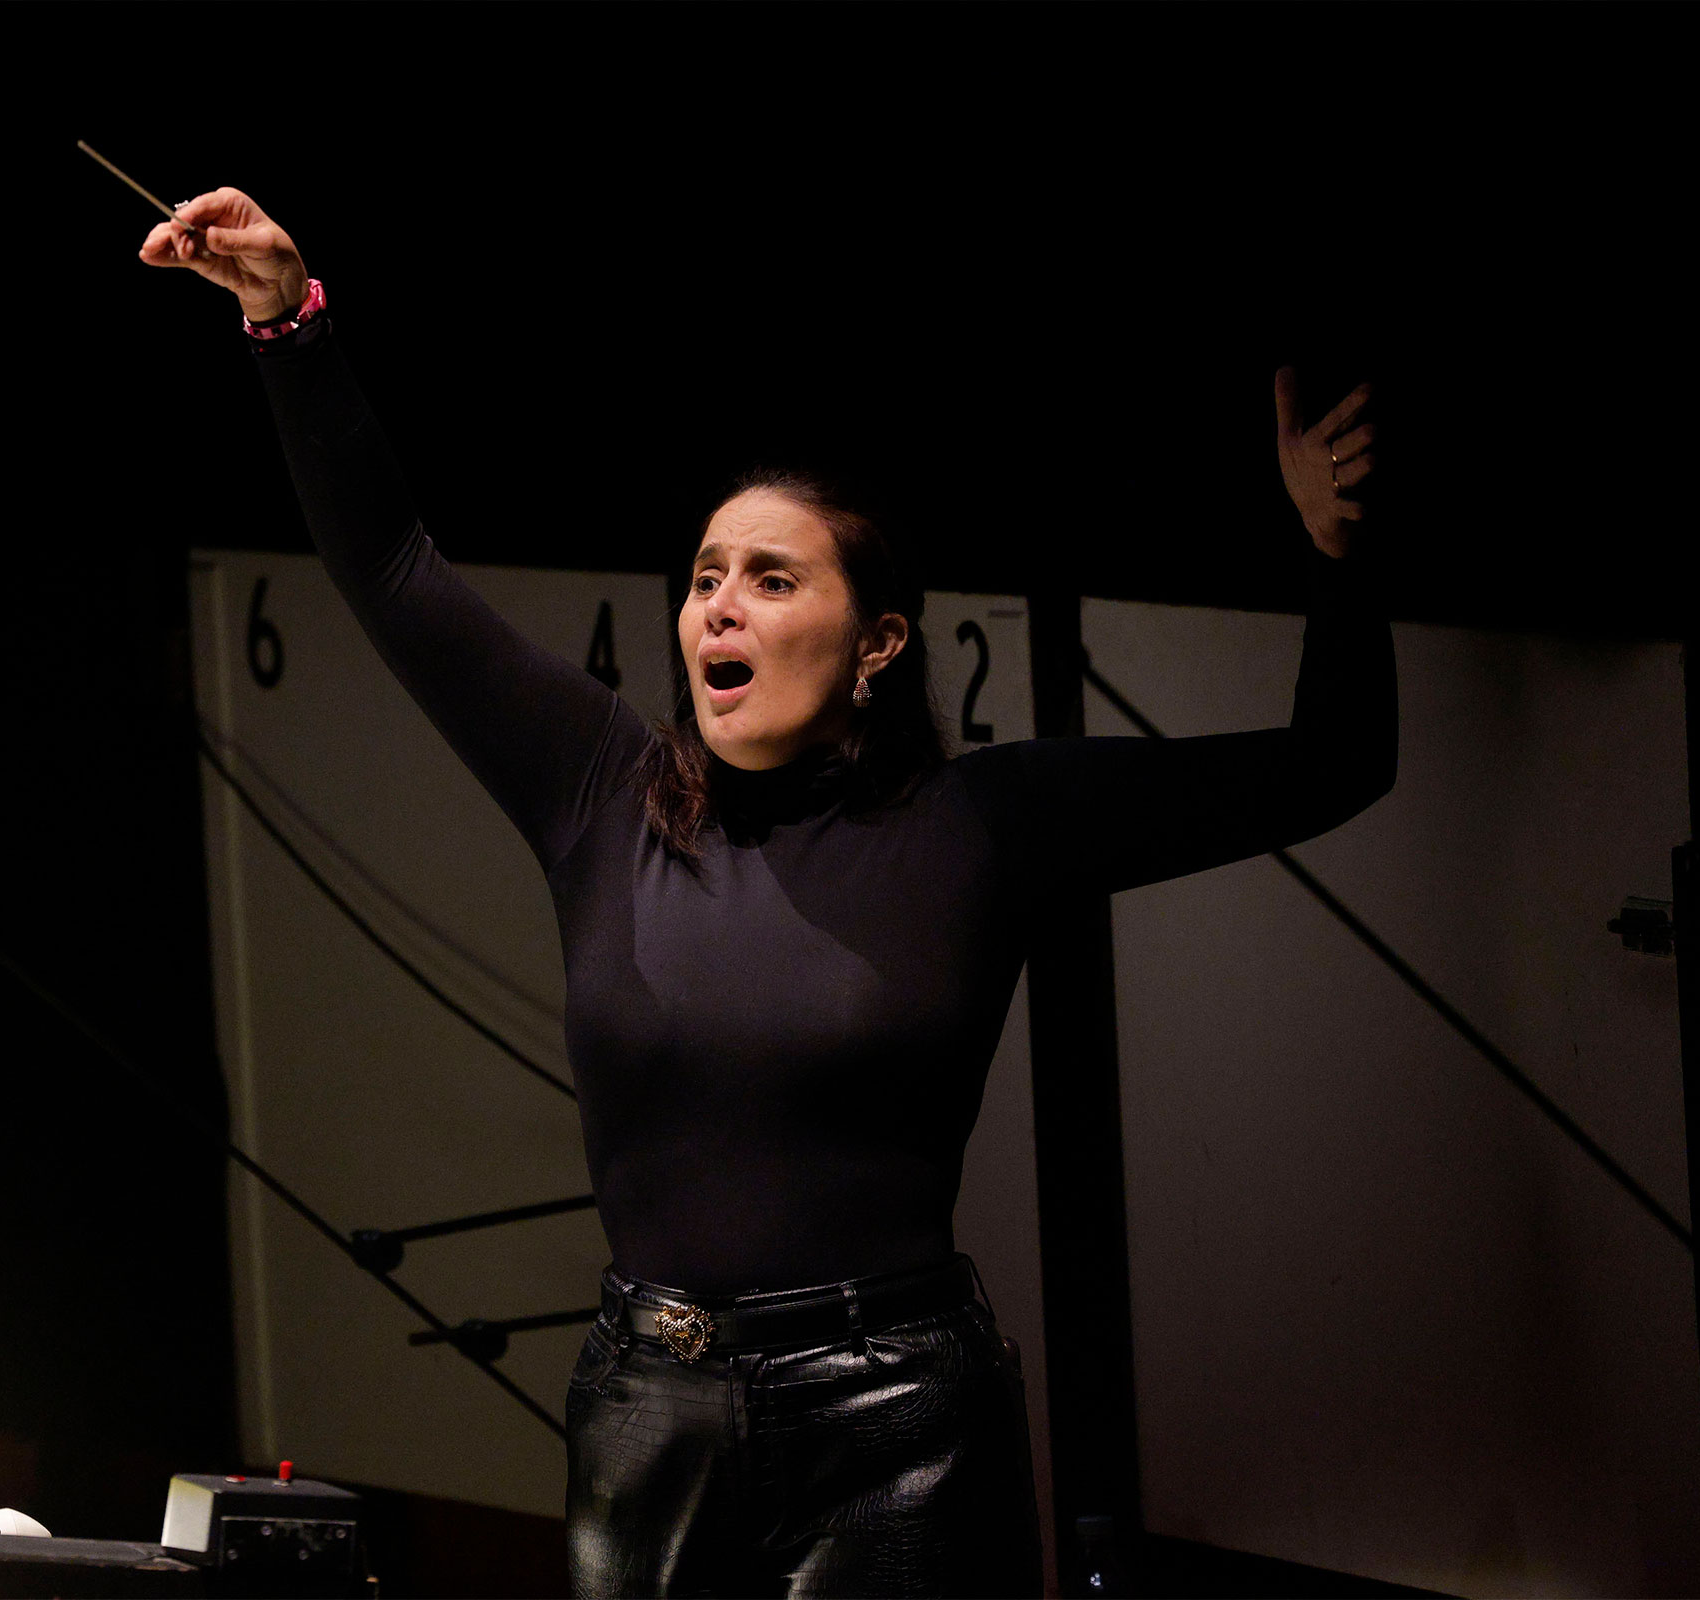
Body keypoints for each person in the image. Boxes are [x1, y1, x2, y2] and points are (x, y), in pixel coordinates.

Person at [141, 188, 1394, 1599]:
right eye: (704, 578)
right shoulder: (603, 793)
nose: (718, 606)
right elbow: (389, 569)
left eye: (771, 580)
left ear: (877, 641)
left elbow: (1331, 769)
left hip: (897, 1413)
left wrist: (1335, 556)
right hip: (647, 1413)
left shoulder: (981, 824)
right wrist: (288, 321)